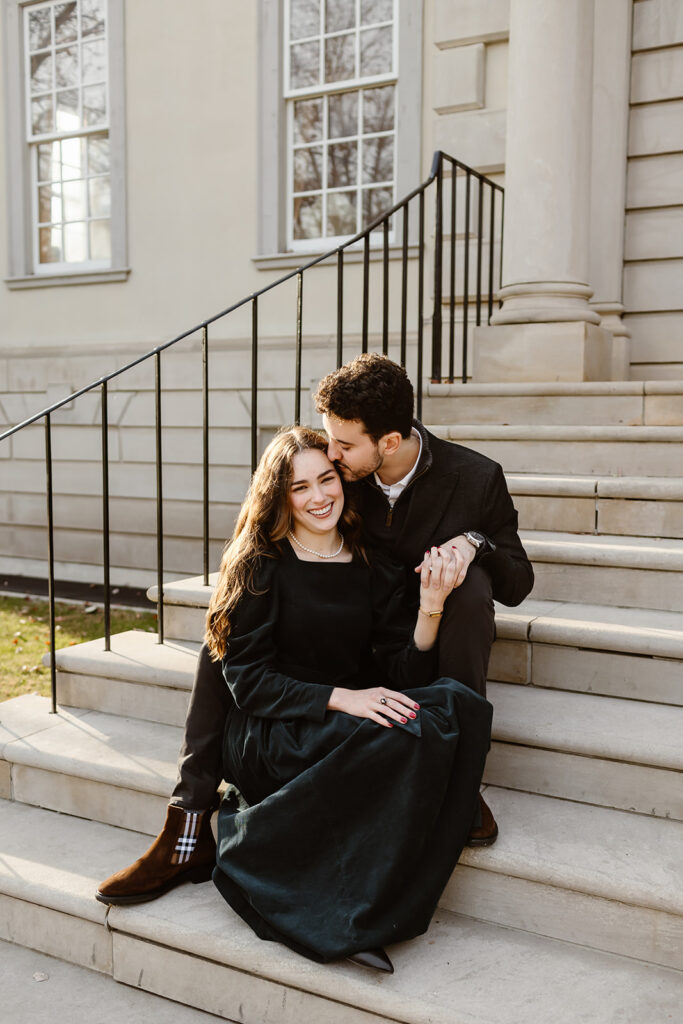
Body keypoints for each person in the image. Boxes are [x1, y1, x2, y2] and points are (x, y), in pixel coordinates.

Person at [96, 354, 532, 909]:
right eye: (323, 453)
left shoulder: (474, 478)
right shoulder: (337, 487)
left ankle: (458, 777)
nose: (330, 459)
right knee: (224, 627)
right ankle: (188, 818)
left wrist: (471, 545)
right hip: (333, 664)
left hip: (399, 637)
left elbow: (516, 581)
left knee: (470, 592)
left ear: (390, 442)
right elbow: (254, 652)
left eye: (341, 451)